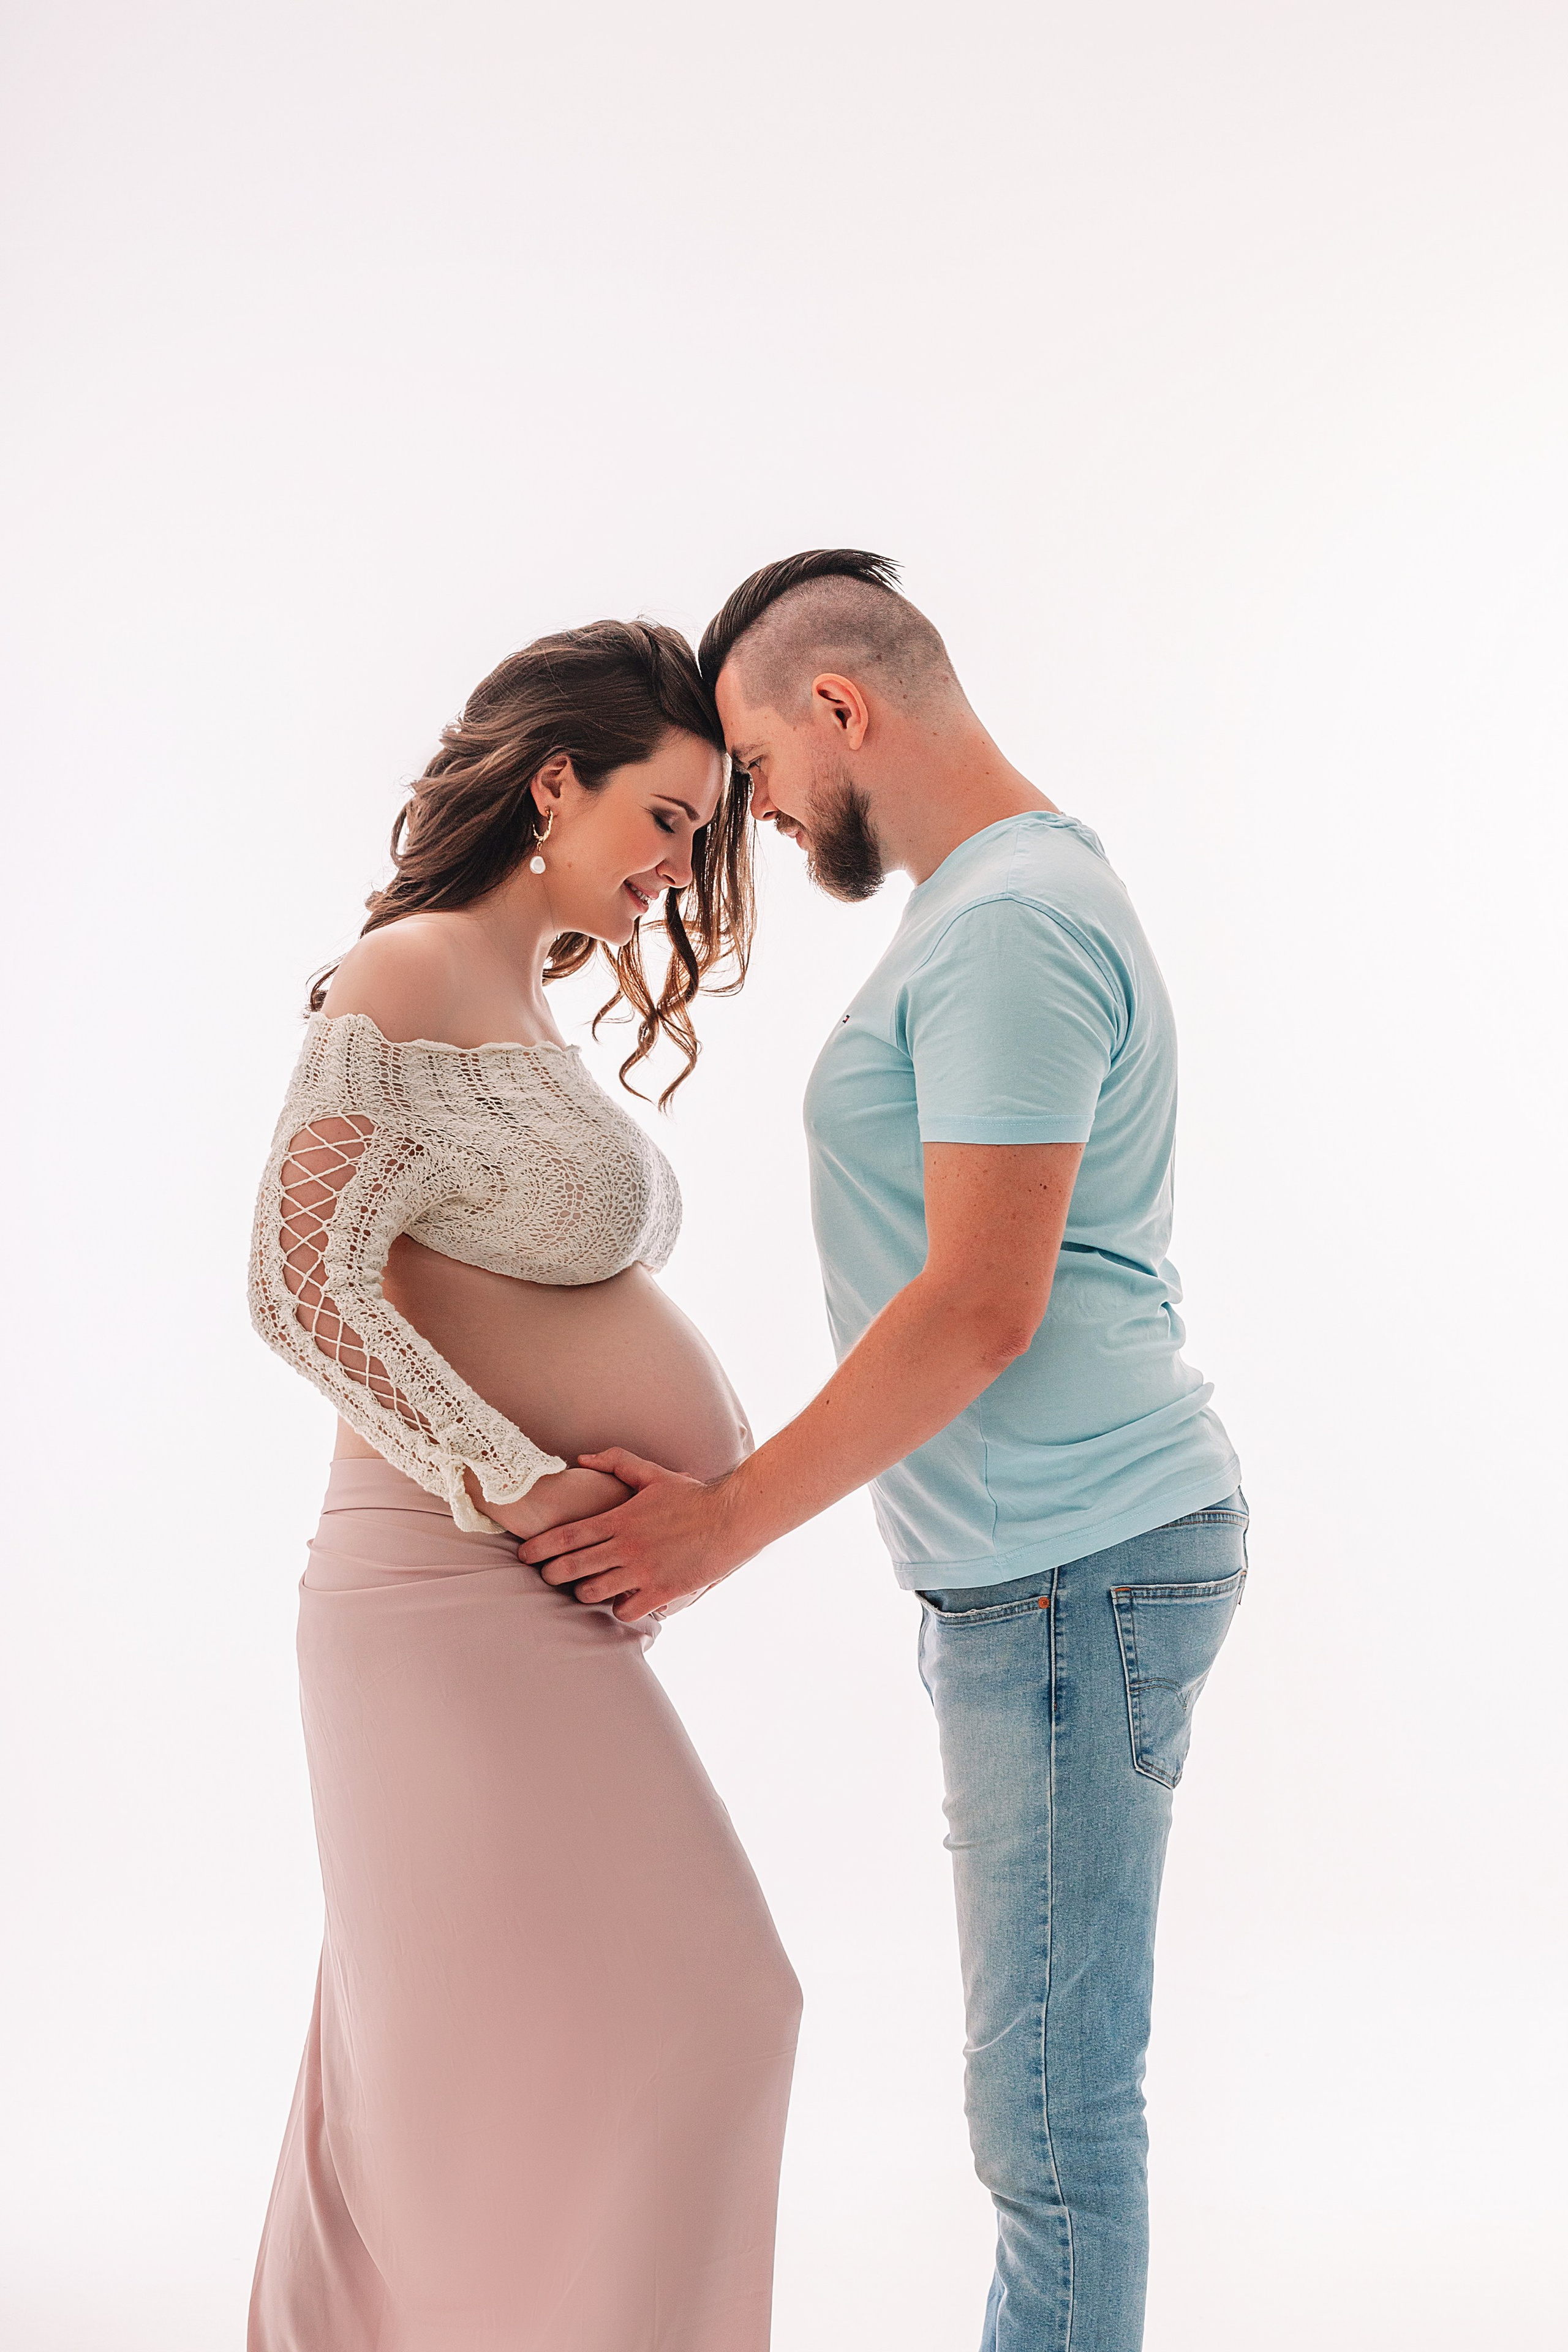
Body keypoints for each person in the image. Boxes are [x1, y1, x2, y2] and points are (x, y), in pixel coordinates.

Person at [525, 552, 1247, 2352]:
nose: (755, 821)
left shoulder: (1008, 921)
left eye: (758, 774)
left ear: (843, 709)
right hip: (1049, 1574)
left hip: (1080, 1570)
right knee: (1046, 2108)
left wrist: (720, 1529)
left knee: (1054, 2130)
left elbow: (981, 1305)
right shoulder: (989, 900)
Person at [244, 619, 801, 2352]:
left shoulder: (519, 1000)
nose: (682, 865)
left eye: (705, 831)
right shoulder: (405, 975)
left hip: (508, 1609)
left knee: (480, 2062)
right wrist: (503, 1483)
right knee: (708, 2007)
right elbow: (295, 1282)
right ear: (555, 785)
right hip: (432, 1601)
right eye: (665, 818)